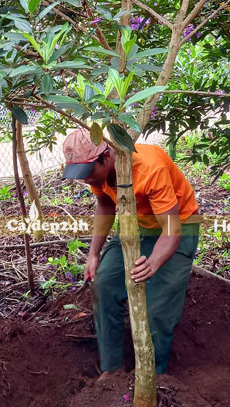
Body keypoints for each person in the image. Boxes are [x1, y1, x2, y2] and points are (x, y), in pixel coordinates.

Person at [61, 127, 200, 379]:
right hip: (136, 223)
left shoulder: (150, 169)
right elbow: (105, 204)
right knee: (104, 284)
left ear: (106, 157)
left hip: (178, 226)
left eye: (87, 172)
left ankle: (153, 376)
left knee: (157, 307)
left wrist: (154, 263)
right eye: (79, 174)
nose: (85, 180)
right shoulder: (99, 175)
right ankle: (112, 369)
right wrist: (94, 254)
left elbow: (172, 230)